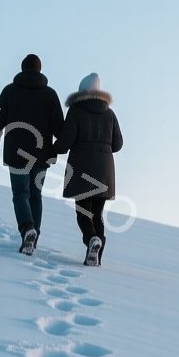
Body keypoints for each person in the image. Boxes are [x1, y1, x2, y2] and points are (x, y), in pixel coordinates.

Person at [0, 54, 64, 255]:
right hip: (41, 155)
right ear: (39, 70)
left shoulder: (9, 91)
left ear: (22, 69)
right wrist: (56, 149)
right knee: (35, 195)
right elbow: (60, 129)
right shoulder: (50, 94)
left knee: (21, 194)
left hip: (17, 153)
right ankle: (33, 236)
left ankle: (27, 229)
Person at [51, 73, 123, 266]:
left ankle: (92, 239)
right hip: (105, 171)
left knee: (83, 212)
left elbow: (65, 141)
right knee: (97, 214)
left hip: (82, 168)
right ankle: (96, 255)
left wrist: (52, 150)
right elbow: (118, 144)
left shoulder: (76, 111)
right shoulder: (110, 114)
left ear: (82, 91)